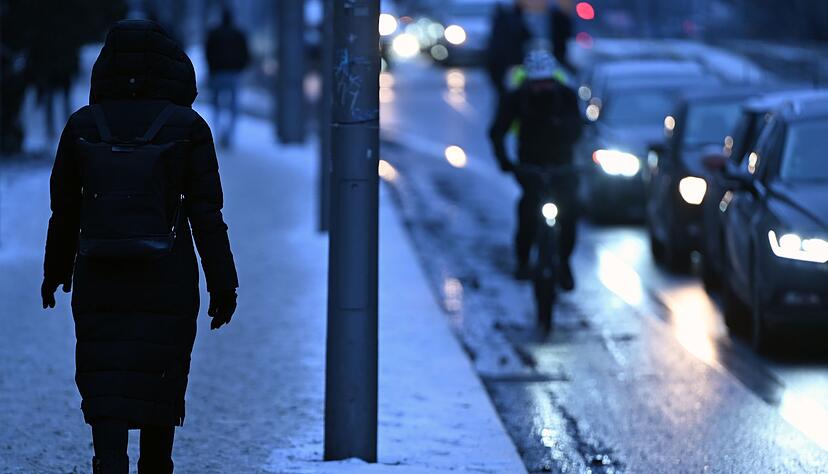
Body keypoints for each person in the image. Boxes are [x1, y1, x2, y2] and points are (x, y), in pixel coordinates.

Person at [41, 20, 239, 474]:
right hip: (167, 275)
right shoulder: (187, 126)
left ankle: (107, 462)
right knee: (159, 380)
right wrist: (223, 285)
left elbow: (65, 210)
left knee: (106, 376)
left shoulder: (83, 125)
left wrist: (55, 272)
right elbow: (208, 216)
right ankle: (156, 464)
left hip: (99, 271)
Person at [488, 47, 582, 289]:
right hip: (530, 166)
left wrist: (569, 142)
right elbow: (497, 131)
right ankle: (523, 261)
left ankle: (564, 262)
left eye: (547, 83)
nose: (543, 88)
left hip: (563, 166)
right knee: (528, 212)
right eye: (537, 83)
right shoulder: (516, 98)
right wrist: (505, 162)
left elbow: (579, 129)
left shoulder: (567, 96)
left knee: (569, 214)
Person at [486, 0, 574, 100]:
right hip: (520, 85)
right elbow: (497, 55)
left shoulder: (559, 19)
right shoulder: (507, 21)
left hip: (555, 81)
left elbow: (568, 50)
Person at [205, 8, 250, 148]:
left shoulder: (214, 33)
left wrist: (212, 69)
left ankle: (218, 133)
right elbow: (246, 54)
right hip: (233, 74)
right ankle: (229, 136)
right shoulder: (239, 34)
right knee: (233, 107)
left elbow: (208, 53)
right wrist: (240, 68)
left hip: (217, 73)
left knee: (216, 105)